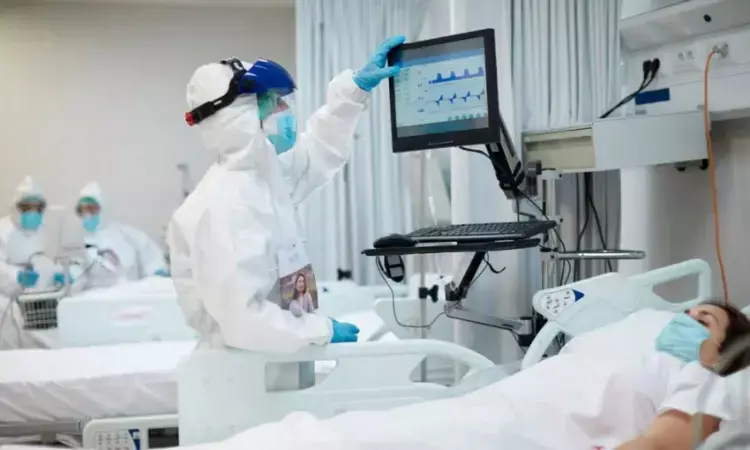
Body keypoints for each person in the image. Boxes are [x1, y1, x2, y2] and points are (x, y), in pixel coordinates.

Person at [202, 301, 750, 449]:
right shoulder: (638, 329)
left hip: (525, 434)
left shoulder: (709, 377)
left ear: (723, 350)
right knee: (334, 437)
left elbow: (664, 442)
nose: (684, 319)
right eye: (685, 309)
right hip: (494, 411)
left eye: (704, 319)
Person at [168, 35, 405, 353]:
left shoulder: (260, 179)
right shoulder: (223, 205)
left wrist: (354, 91)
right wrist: (320, 330)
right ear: (239, 117)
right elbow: (242, 321)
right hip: (243, 372)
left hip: (276, 361)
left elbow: (317, 152)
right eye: (273, 102)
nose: (286, 109)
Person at [76, 181, 168, 289]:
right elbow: (77, 276)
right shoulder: (81, 245)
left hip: (130, 295)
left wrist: (158, 273)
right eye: (82, 211)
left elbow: (153, 260)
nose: (87, 215)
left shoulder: (128, 235)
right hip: (97, 297)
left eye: (91, 209)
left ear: (103, 208)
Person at [0, 176, 58, 297]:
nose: (33, 212)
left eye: (37, 208)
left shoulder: (47, 230)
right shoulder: (3, 230)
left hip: (44, 295)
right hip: (8, 297)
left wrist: (59, 273)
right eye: (27, 207)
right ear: (16, 208)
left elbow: (54, 260)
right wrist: (16, 275)